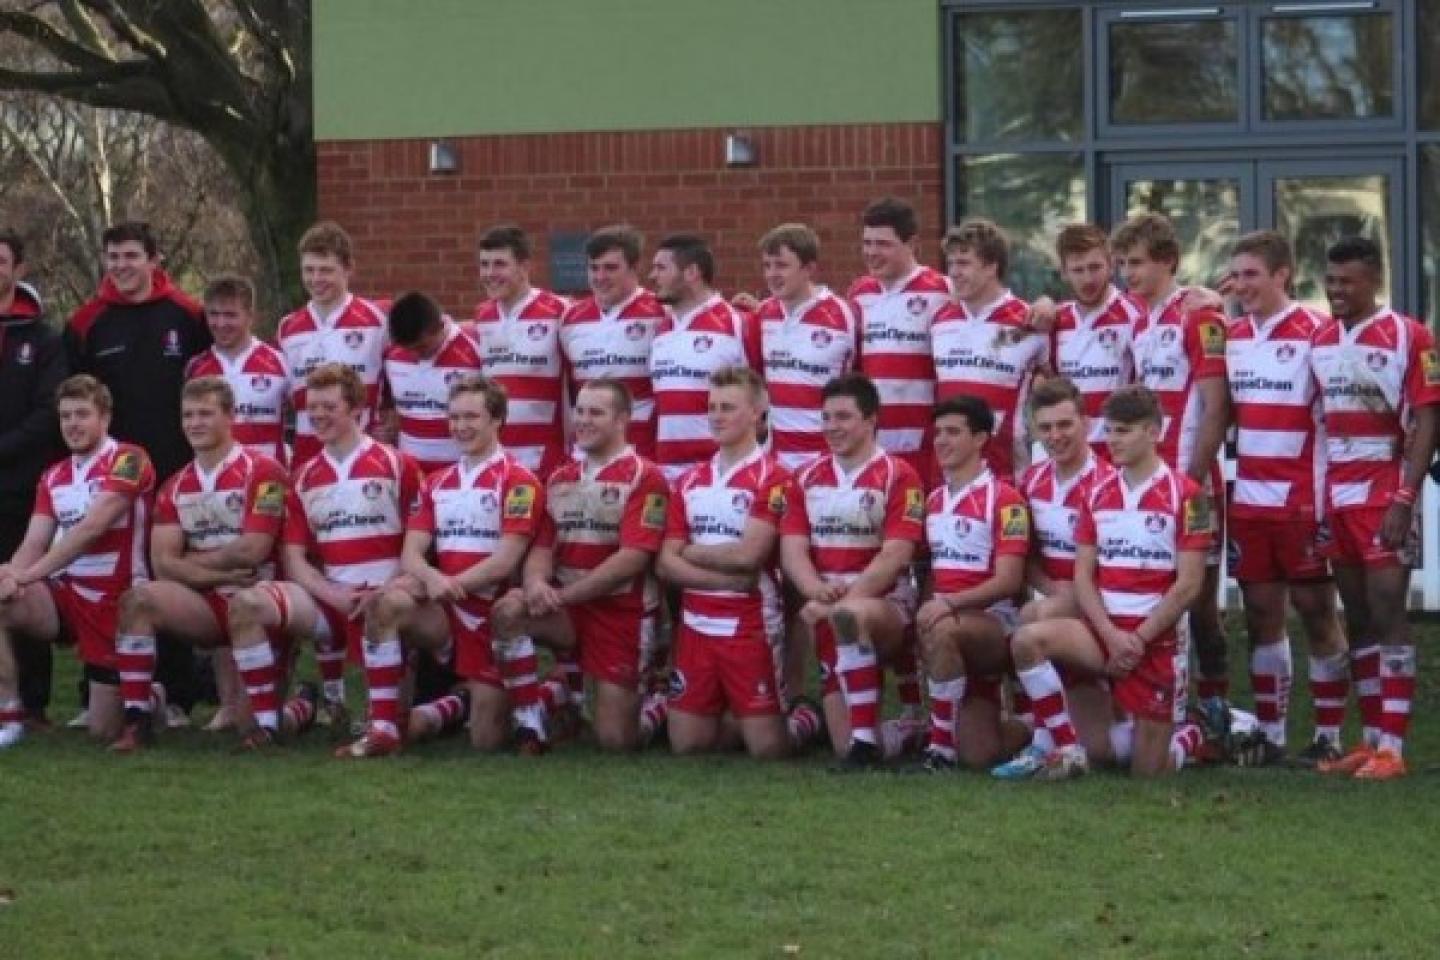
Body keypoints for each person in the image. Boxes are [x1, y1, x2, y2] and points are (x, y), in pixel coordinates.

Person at [225, 363, 424, 756]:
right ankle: (268, 725)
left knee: (395, 716)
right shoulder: (302, 476)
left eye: (328, 406)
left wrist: (386, 590)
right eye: (311, 407)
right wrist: (331, 594)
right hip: (330, 599)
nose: (317, 415)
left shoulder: (398, 465)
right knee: (246, 604)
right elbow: (295, 559)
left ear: (356, 410)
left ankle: (383, 725)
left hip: (389, 599)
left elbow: (417, 547)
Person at [110, 377, 310, 751]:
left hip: (259, 601)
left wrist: (188, 560)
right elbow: (162, 563)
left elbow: (253, 550)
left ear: (231, 416)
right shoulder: (175, 485)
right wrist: (215, 571)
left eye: (205, 413)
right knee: (137, 599)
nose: (195, 423)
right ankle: (137, 719)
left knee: (252, 721)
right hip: (207, 600)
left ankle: (300, 707)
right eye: (188, 415)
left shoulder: (264, 472)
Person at [1310, 236, 1440, 780]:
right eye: (1331, 281)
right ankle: (1367, 741)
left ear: (1374, 281)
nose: (1337, 291)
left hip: (1386, 489)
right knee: (1357, 614)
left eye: (1348, 281)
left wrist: (1405, 499)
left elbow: (1429, 418)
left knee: (1388, 608)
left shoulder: (1410, 336)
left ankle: (1394, 746)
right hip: (1337, 494)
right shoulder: (1318, 339)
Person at [367, 373, 547, 752]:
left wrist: (448, 585)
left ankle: (546, 693)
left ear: (497, 420)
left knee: (486, 741)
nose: (460, 427)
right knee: (387, 603)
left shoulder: (519, 481)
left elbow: (505, 561)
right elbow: (411, 553)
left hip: (489, 618)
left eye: (471, 417)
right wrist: (430, 578)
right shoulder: (437, 482)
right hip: (446, 613)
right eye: (454, 418)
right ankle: (382, 728)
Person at [490, 378, 670, 751]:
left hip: (622, 611)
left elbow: (632, 559)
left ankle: (661, 699)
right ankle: (533, 723)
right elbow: (541, 548)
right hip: (569, 609)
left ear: (623, 419)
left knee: (616, 740)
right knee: (509, 611)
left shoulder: (646, 476)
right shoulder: (560, 476)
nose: (584, 420)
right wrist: (537, 583)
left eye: (596, 412)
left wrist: (565, 595)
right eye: (580, 411)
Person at [1222, 230, 1347, 766]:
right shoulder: (1229, 336)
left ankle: (1329, 735)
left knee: (1318, 612)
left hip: (1303, 499)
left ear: (1282, 276)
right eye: (1237, 274)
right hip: (1249, 499)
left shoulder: (1318, 332)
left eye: (1253, 274)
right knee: (1261, 614)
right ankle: (1270, 737)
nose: (1242, 284)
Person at [1111, 213, 1230, 731]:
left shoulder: (1199, 316)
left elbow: (1216, 405)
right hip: (1148, 481)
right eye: (1122, 264)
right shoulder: (1139, 319)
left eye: (1135, 263)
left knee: (1199, 601)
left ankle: (1217, 703)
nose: (1126, 274)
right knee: (1153, 591)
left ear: (1167, 262)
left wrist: (1193, 477)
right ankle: (1163, 705)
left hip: (1193, 482)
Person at [1059, 385, 1210, 777]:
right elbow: (1082, 575)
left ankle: (1196, 732)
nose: (1112, 440)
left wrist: (1139, 639)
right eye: (1109, 431)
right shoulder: (1094, 492)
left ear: (1154, 433)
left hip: (1156, 643)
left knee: (1148, 775)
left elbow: (1190, 584)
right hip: (1107, 637)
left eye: (1123, 431)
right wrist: (1111, 635)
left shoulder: (1189, 497)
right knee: (1104, 760)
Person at [780, 373, 926, 770]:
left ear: (871, 420)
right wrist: (813, 590)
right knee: (839, 744)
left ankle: (867, 744)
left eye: (843, 417)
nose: (832, 427)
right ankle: (903, 731)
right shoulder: (806, 476)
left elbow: (895, 554)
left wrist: (839, 601)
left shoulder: (899, 474)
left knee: (850, 614)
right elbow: (792, 549)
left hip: (883, 606)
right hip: (827, 605)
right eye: (826, 417)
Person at [0, 375, 155, 747]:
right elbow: (33, 541)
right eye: (65, 416)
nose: (72, 424)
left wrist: (27, 574)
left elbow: (91, 529)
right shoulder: (54, 475)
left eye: (82, 414)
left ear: (105, 417)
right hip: (65, 595)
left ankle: (152, 696)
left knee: (102, 730)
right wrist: (11, 574)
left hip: (115, 602)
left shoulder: (130, 459)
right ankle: (9, 714)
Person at [658, 366, 792, 758]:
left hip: (750, 623)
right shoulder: (689, 481)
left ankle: (800, 718)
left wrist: (692, 552)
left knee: (767, 750)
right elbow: (666, 564)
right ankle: (726, 711)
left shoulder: (776, 477)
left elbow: (750, 555)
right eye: (712, 407)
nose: (716, 416)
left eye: (728, 407)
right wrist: (725, 579)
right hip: (697, 623)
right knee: (686, 745)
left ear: (757, 412)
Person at [911, 394, 1031, 772]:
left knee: (943, 628)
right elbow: (929, 573)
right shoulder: (933, 501)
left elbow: (1009, 581)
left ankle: (939, 750)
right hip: (952, 625)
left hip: (995, 626)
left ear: (980, 439)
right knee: (978, 755)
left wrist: (948, 605)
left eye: (953, 432)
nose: (942, 441)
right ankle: (1029, 728)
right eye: (938, 433)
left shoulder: (1006, 499)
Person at [66, 220, 210, 482]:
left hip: (180, 462)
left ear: (153, 260)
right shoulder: (84, 323)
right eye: (113, 257)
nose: (121, 266)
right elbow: (71, 399)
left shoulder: (189, 314)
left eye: (131, 256)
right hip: (113, 469)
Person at [0, 229, 67, 730]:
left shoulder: (42, 337)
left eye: (1, 260)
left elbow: (50, 412)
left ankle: (35, 702)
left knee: (20, 586)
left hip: (22, 485)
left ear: (18, 268)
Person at [931, 219, 1047, 481]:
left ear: (991, 267)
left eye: (964, 264)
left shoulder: (1030, 321)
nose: (954, 273)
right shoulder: (940, 320)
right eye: (950, 264)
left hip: (1006, 475)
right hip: (947, 478)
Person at [848, 198, 950, 480]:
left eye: (883, 244)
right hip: (872, 443)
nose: (871, 252)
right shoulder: (859, 292)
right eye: (867, 243)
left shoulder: (943, 290)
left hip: (925, 444)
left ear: (912, 244)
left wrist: (1044, 306)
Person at [275, 221, 390, 467]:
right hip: (307, 459)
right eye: (309, 270)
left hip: (364, 460)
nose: (316, 279)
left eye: (325, 270)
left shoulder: (378, 320)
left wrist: (392, 424)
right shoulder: (288, 328)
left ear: (349, 269)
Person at [649, 233, 761, 484]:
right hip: (666, 474)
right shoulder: (661, 330)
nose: (652, 276)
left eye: (661, 268)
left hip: (721, 475)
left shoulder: (738, 322)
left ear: (691, 273)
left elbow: (764, 396)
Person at [754, 224, 860, 471]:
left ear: (809, 268)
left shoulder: (842, 314)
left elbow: (860, 378)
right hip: (777, 461)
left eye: (781, 265)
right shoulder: (764, 313)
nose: (772, 274)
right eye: (767, 266)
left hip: (828, 458)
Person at [470, 225, 569, 478]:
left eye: (500, 264)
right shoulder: (482, 316)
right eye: (485, 264)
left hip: (549, 461)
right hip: (497, 460)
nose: (490, 273)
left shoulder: (560, 311)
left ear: (525, 267)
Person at [559, 225, 666, 458]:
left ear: (634, 267)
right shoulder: (570, 319)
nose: (600, 277)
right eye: (593, 268)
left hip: (643, 452)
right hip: (586, 455)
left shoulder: (661, 312)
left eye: (610, 268)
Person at [1048, 224, 1144, 460]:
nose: (1088, 278)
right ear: (1064, 272)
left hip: (1120, 458)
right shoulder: (1056, 320)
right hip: (1072, 458)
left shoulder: (1137, 313)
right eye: (1078, 270)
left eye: (1095, 267)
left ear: (1111, 265)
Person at [185, 276, 291, 465]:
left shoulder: (280, 362)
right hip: (217, 484)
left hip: (268, 481)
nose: (221, 323)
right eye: (214, 314)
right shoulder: (196, 367)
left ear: (251, 316)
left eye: (230, 315)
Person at [383, 291, 483, 474]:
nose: (415, 354)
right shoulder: (391, 354)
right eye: (408, 349)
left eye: (422, 347)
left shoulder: (475, 348)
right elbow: (386, 405)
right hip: (411, 474)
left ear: (440, 326)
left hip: (462, 473)